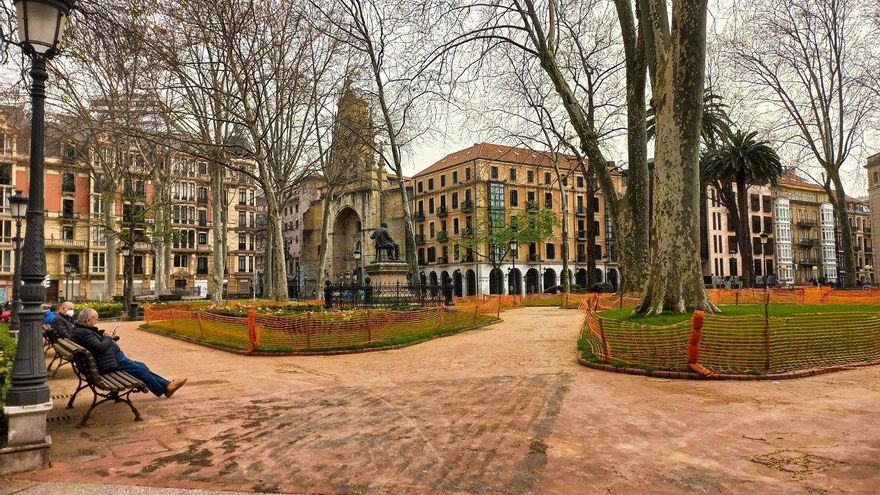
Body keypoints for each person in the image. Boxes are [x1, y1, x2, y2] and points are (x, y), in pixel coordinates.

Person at [71, 308, 187, 398]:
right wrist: (108, 337)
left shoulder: (82, 330)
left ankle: (166, 385)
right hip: (108, 364)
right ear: (88, 320)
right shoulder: (83, 333)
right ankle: (165, 388)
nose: (96, 322)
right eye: (96, 319)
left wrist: (104, 334)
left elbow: (94, 339)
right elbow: (100, 347)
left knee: (141, 366)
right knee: (140, 370)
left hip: (108, 359)